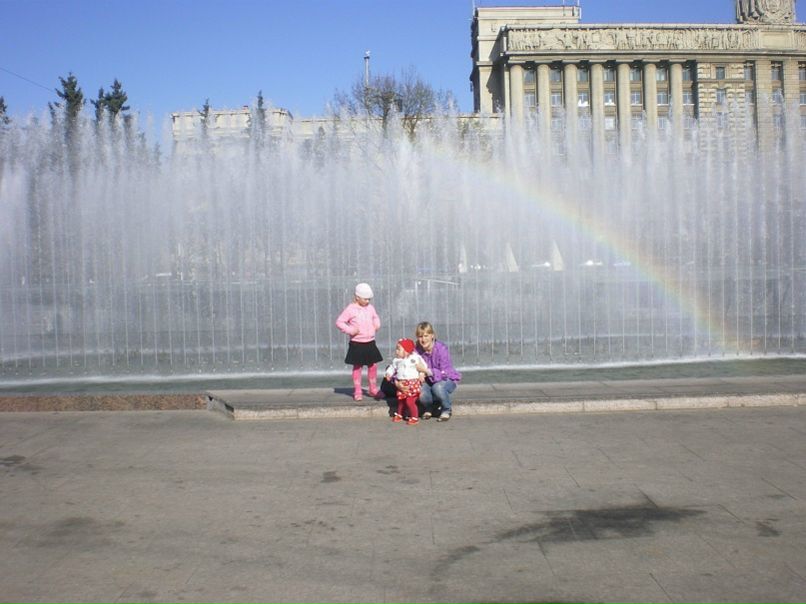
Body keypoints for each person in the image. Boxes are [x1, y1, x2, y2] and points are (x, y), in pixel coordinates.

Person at [335, 283, 382, 401]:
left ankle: (373, 388)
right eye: (365, 299)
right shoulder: (350, 309)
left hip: (370, 341)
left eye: (369, 299)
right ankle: (358, 390)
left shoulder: (370, 308)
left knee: (373, 365)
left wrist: (376, 324)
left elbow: (375, 316)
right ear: (357, 297)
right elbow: (339, 322)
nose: (368, 301)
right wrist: (350, 330)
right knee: (358, 366)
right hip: (357, 342)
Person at [415, 321, 461, 422]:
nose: (423, 339)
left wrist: (426, 371)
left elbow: (445, 372)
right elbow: (406, 364)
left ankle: (446, 409)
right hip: (428, 380)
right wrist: (419, 373)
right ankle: (429, 407)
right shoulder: (416, 350)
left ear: (432, 336)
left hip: (447, 379)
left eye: (426, 335)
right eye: (420, 336)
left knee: (438, 387)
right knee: (419, 391)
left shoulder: (441, 349)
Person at [384, 338, 430, 425]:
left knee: (410, 401)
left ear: (406, 351)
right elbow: (392, 368)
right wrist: (388, 374)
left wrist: (421, 373)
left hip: (413, 383)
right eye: (396, 349)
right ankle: (400, 414)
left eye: (399, 349)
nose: (396, 351)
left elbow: (423, 365)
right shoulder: (396, 361)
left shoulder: (415, 358)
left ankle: (414, 417)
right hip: (402, 383)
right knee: (401, 400)